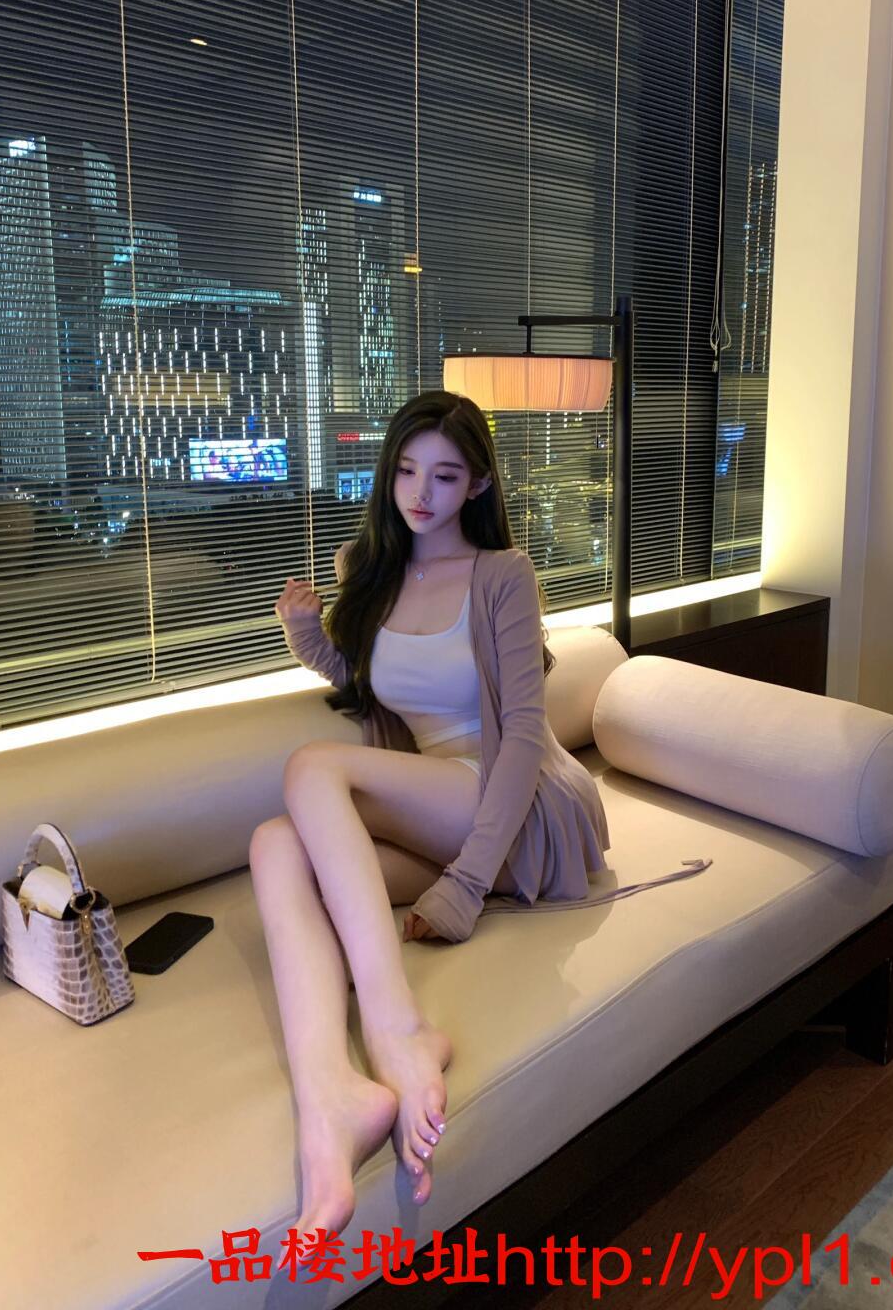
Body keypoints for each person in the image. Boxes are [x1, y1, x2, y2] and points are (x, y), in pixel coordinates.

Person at [252, 389, 611, 1252]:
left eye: (446, 476)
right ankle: (331, 1100)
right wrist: (307, 634)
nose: (421, 492)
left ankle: (400, 1030)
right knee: (275, 845)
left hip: (512, 802)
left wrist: (464, 887)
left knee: (311, 767)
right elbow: (368, 680)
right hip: (436, 799)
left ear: (478, 484)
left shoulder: (502, 576)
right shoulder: (370, 568)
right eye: (408, 470)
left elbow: (523, 733)